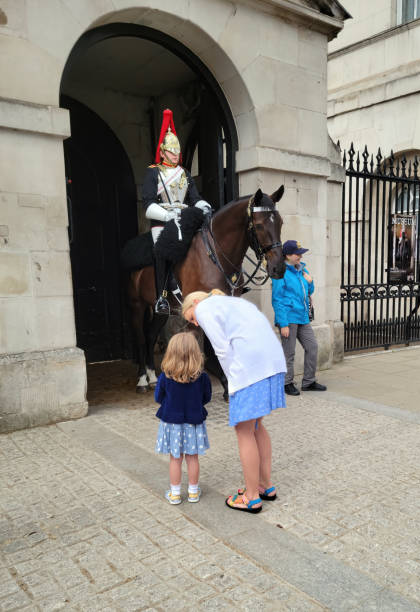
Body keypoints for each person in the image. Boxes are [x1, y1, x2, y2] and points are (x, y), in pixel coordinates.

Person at [182, 289, 286, 514]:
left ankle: (251, 497)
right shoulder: (230, 303)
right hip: (272, 362)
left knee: (244, 430)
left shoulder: (204, 308)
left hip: (250, 369)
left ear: (196, 302)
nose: (195, 323)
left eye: (191, 318)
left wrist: (232, 382)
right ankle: (265, 486)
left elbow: (221, 349)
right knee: (256, 426)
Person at [142, 108, 212, 314]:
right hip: (161, 220)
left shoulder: (185, 174)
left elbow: (194, 198)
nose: (175, 155)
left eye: (177, 151)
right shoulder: (153, 172)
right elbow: (147, 203)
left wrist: (203, 206)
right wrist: (166, 215)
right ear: (163, 151)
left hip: (183, 219)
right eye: (171, 151)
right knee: (161, 253)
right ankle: (162, 298)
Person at [154, 332, 212, 505]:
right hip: (193, 423)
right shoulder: (202, 377)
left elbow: (158, 397)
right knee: (192, 457)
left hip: (172, 423)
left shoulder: (165, 376)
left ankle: (175, 494)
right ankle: (193, 493)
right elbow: (206, 398)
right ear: (196, 352)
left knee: (175, 458)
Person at [271, 240, 327, 396]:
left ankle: (309, 382)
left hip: (302, 316)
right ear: (288, 255)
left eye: (301, 253)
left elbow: (309, 290)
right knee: (289, 352)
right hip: (288, 318)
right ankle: (286, 383)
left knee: (312, 347)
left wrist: (311, 282)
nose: (300, 256)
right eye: (297, 254)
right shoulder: (279, 272)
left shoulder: (302, 269)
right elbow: (277, 300)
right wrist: (283, 324)